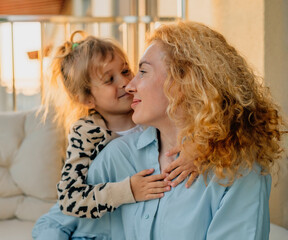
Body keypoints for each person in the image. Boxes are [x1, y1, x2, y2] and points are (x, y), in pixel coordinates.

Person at [34, 21, 285, 239]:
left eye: (138, 71)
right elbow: (59, 215)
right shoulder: (113, 152)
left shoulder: (238, 170)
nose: (129, 85)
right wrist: (125, 191)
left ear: (185, 81)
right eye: (110, 79)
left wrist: (203, 147)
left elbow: (234, 118)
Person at [36, 30, 197, 227]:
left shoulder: (149, 113)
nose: (124, 82)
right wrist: (127, 190)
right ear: (87, 99)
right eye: (109, 80)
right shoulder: (87, 133)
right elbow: (70, 199)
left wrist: (197, 150)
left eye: (125, 71)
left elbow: (193, 126)